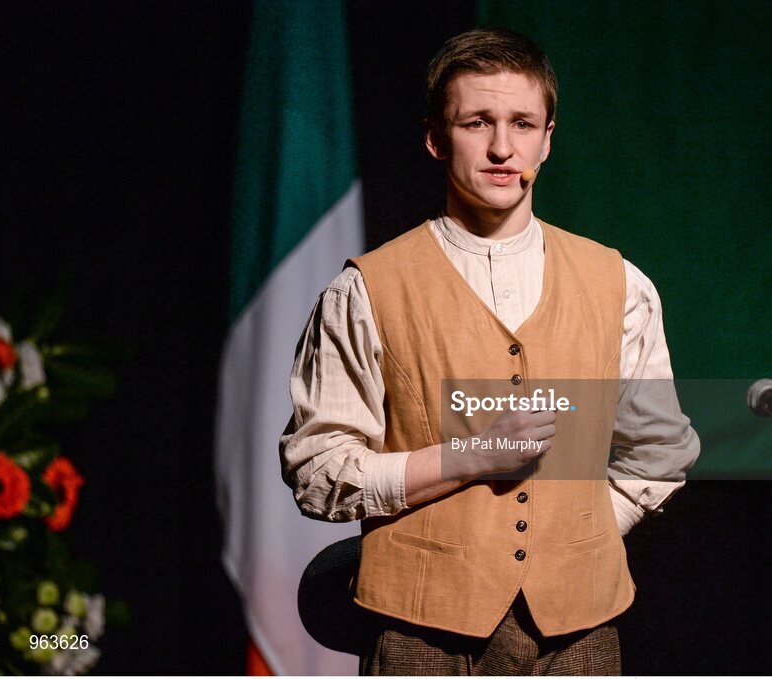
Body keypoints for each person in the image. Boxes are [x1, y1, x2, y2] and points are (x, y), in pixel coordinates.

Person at [280, 27, 700, 675]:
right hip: (420, 632)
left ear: (548, 137)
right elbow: (317, 468)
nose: (503, 147)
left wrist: (577, 537)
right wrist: (466, 457)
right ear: (435, 138)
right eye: (478, 121)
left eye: (522, 122)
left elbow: (661, 451)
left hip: (576, 635)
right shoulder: (367, 290)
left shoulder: (620, 285)